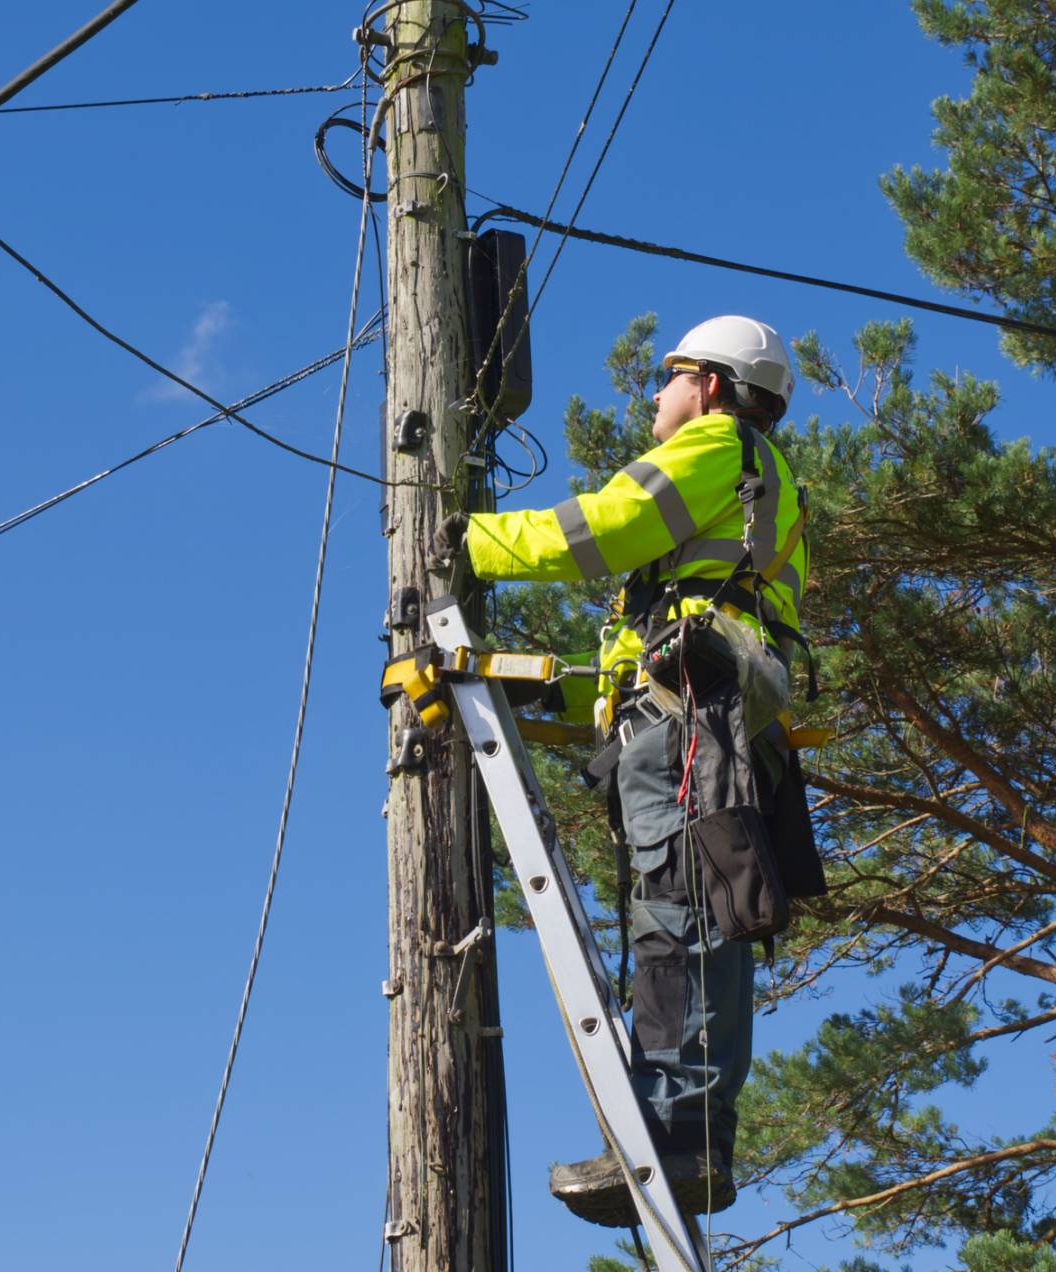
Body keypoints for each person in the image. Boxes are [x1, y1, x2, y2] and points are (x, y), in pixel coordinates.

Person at [433, 315, 811, 1225]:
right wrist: (549, 700)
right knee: (678, 909)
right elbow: (631, 656)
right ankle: (680, 1131)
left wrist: (469, 543)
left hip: (695, 720)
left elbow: (608, 524)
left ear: (712, 385)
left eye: (669, 374)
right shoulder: (741, 484)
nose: (655, 393)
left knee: (678, 913)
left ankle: (677, 1135)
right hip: (701, 714)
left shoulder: (721, 443)